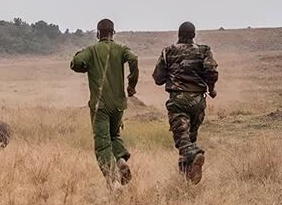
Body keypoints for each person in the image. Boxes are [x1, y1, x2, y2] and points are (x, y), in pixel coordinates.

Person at [70, 19, 139, 189]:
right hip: (118, 105)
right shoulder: (121, 49)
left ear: (98, 33)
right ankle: (121, 159)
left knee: (102, 143)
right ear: (113, 33)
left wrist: (87, 63)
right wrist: (131, 84)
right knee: (114, 135)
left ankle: (113, 181)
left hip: (100, 106)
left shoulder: (93, 50)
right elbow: (134, 58)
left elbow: (76, 63)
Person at [152, 21, 218, 184]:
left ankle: (196, 155)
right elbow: (212, 71)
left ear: (179, 35)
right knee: (190, 139)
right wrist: (211, 88)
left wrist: (173, 74)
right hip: (198, 102)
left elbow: (158, 79)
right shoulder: (204, 51)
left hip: (178, 102)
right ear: (194, 35)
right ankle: (186, 181)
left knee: (182, 141)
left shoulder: (168, 52)